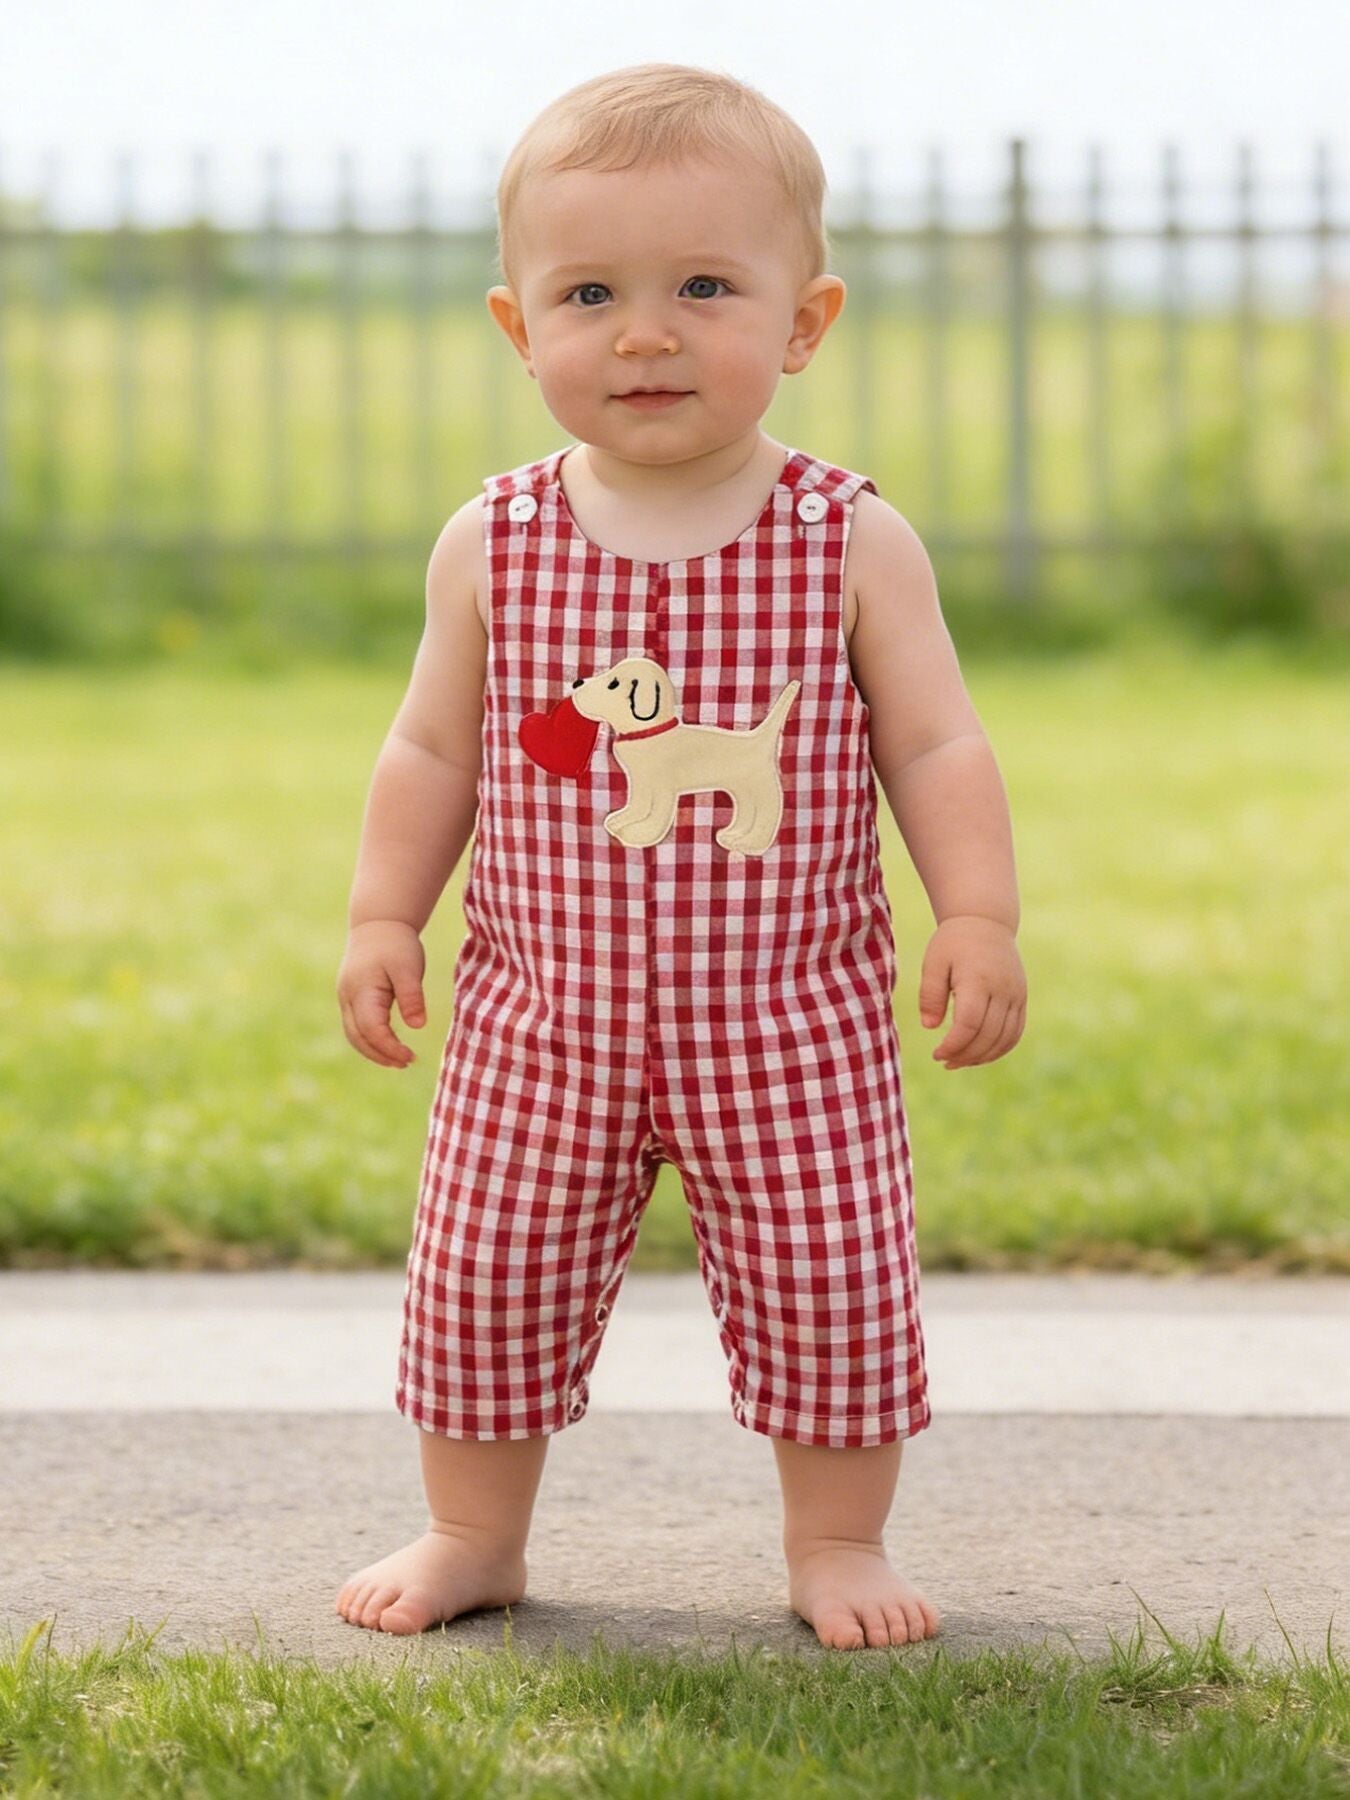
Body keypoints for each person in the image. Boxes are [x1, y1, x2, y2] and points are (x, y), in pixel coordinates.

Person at [334, 62, 1026, 1651]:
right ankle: (471, 1531)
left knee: (827, 1275)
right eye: (590, 294)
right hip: (539, 1015)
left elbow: (935, 744)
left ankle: (836, 1540)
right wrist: (383, 914)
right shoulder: (493, 540)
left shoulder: (846, 536)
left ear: (804, 322)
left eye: (703, 288)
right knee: (485, 1273)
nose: (644, 334)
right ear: (519, 328)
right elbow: (431, 749)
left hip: (789, 1018)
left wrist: (976, 913)